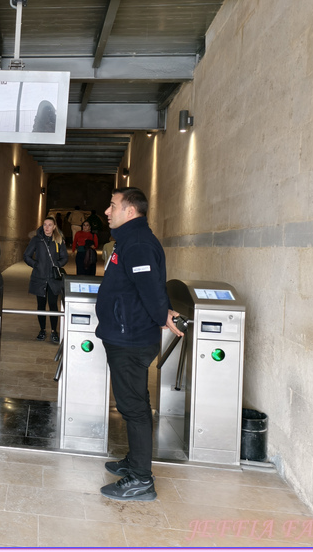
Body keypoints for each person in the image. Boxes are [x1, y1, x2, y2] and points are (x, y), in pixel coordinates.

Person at [95, 187, 183, 501]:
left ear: (130, 210)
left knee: (133, 408)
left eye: (112, 205)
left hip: (130, 338)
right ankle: (135, 461)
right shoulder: (130, 241)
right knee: (134, 403)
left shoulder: (138, 243)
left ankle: (141, 480)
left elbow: (150, 288)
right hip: (124, 333)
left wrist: (163, 315)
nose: (107, 211)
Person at [23, 216, 68, 344]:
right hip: (40, 276)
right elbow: (26, 255)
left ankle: (54, 331)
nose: (47, 227)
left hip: (54, 278)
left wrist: (57, 264)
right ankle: (42, 330)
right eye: (45, 224)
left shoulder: (59, 240)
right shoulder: (36, 240)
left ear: (54, 227)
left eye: (49, 225)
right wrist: (36, 264)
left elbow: (64, 257)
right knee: (41, 305)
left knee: (53, 304)